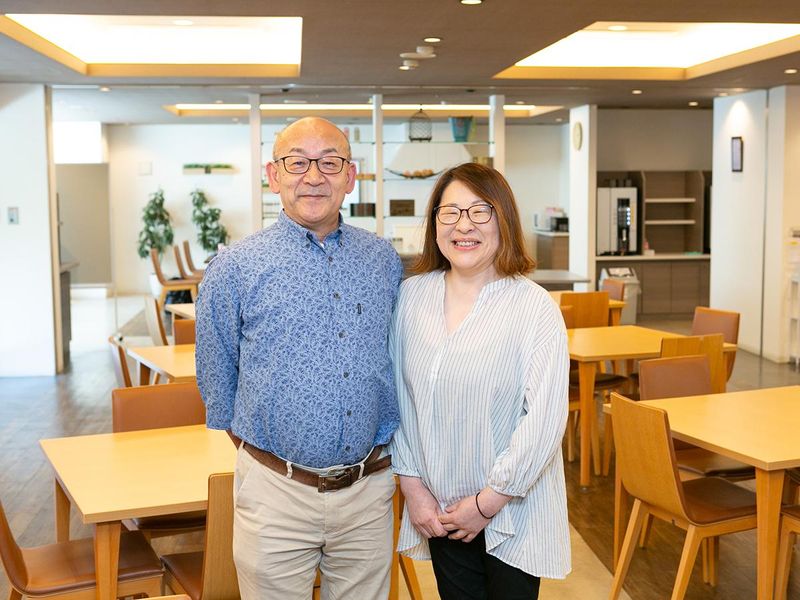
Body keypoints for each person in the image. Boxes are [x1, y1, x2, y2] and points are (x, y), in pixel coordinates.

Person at [195, 117, 403, 600]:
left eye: (330, 163)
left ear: (350, 177)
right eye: (297, 163)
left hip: (368, 491)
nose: (313, 176)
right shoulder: (235, 267)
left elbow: (395, 360)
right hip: (275, 493)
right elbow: (217, 380)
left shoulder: (383, 261)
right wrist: (274, 458)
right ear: (274, 176)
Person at [390, 162, 571, 599]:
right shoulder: (411, 297)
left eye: (479, 211)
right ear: (435, 224)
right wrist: (413, 488)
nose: (463, 225)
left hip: (512, 511)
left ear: (503, 218)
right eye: (450, 212)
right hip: (441, 509)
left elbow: (543, 422)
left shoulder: (533, 307)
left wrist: (486, 503)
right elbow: (399, 399)